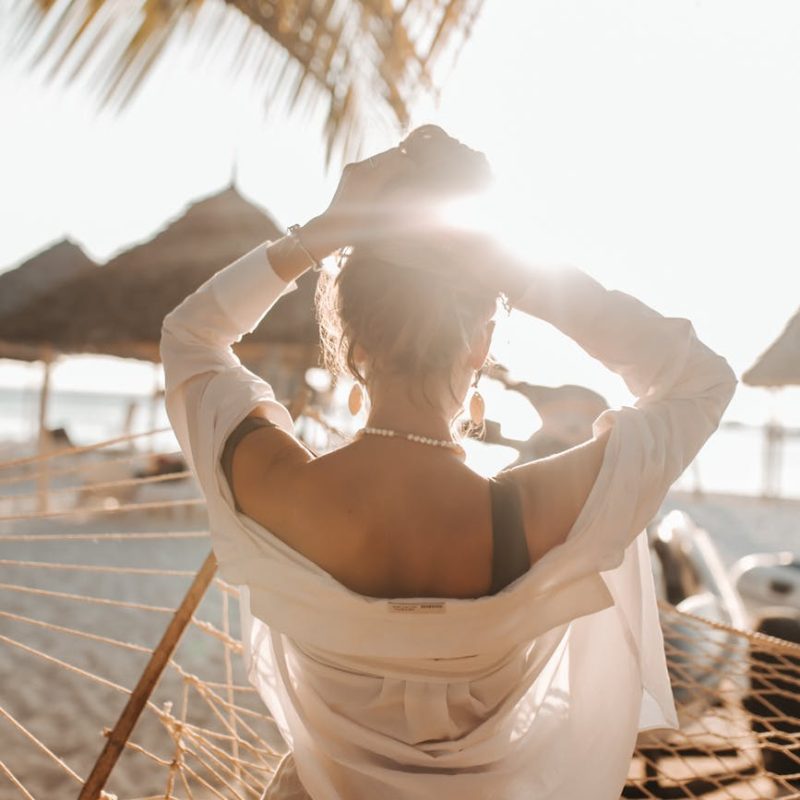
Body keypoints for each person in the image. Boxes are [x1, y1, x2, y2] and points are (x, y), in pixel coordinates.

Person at [160, 126, 737, 800]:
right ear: (481, 342)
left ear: (348, 334)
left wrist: (320, 233)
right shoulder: (540, 511)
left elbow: (192, 338)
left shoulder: (278, 486)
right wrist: (521, 275)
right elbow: (700, 380)